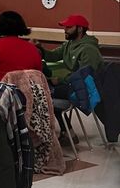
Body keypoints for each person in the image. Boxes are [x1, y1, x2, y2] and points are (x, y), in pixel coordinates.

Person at [36, 14, 103, 144]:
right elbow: (53, 56)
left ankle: (65, 133)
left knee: (46, 94)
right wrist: (40, 49)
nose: (65, 30)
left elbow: (85, 75)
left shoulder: (88, 49)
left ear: (79, 29)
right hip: (75, 85)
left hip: (86, 89)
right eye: (65, 27)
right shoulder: (69, 44)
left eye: (69, 27)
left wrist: (61, 80)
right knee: (47, 92)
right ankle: (68, 133)